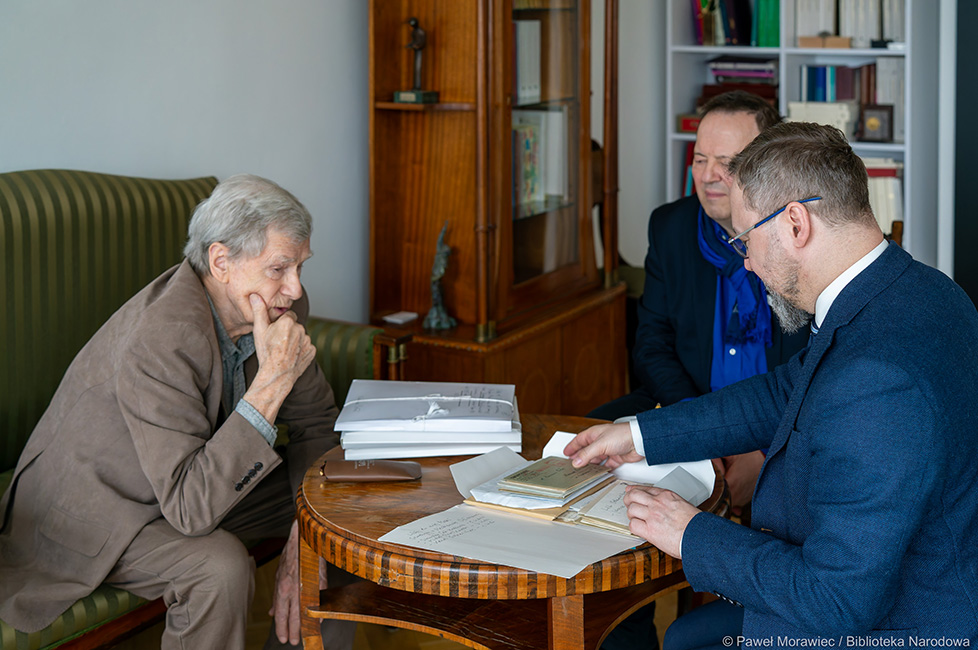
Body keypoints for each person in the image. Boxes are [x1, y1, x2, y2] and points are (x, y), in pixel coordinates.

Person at [567, 122, 978, 646]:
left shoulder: (879, 380)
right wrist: (639, 434)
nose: (746, 261)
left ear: (795, 224)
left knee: (684, 640)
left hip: (905, 626)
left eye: (744, 239)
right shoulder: (921, 289)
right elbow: (786, 390)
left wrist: (690, 532)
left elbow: (835, 601)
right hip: (921, 585)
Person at [0, 174, 354, 649]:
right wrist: (272, 384)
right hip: (103, 508)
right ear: (221, 261)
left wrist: (306, 535)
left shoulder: (277, 307)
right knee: (218, 569)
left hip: (195, 482)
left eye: (300, 268)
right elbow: (191, 511)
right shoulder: (162, 337)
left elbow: (314, 424)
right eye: (279, 268)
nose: (294, 289)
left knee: (342, 523)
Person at [596, 91, 808, 650]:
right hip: (684, 404)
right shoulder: (670, 226)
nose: (711, 177)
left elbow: (818, 369)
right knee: (588, 453)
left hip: (781, 424)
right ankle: (623, 619)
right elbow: (652, 345)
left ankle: (740, 604)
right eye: (699, 159)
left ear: (765, 167)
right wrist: (696, 432)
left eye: (730, 163)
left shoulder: (797, 235)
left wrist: (761, 453)